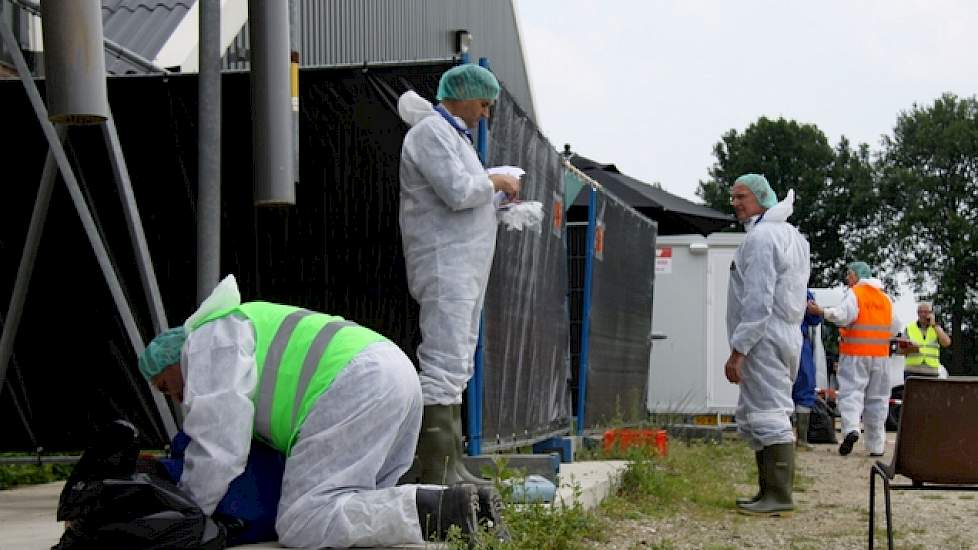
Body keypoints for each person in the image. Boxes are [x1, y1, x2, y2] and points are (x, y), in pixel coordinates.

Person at [138, 275, 503, 547]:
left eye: (167, 385)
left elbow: (219, 446)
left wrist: (186, 516)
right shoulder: (241, 320)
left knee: (304, 522)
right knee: (358, 506)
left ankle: (443, 511)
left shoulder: (206, 343)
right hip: (391, 370)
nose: (177, 396)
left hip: (351, 383)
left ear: (172, 358)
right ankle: (464, 509)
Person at [397, 64, 521, 485]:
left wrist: (497, 199)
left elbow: (468, 194)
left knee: (457, 360)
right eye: (484, 104)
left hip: (462, 267)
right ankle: (437, 466)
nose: (486, 113)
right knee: (442, 361)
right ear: (462, 95)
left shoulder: (452, 136)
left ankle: (451, 463)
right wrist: (496, 180)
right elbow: (458, 191)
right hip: (443, 264)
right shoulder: (430, 134)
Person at [724, 173, 811, 516]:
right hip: (787, 333)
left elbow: (758, 300)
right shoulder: (793, 236)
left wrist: (739, 349)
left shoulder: (761, 239)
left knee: (769, 411)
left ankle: (778, 494)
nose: (735, 203)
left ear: (761, 198)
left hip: (764, 336)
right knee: (765, 408)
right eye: (733, 196)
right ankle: (768, 490)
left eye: (741, 196)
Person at [807, 262, 901, 457]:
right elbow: (895, 326)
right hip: (881, 357)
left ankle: (851, 429)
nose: (847, 279)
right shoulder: (885, 298)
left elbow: (842, 316)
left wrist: (821, 312)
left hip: (855, 353)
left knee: (851, 394)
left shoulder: (855, 293)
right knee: (878, 400)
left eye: (849, 275)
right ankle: (876, 446)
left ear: (857, 276)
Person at [792, 289, 822, 450]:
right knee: (804, 386)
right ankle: (801, 440)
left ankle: (778, 439)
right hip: (798, 340)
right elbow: (814, 317)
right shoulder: (803, 290)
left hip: (773, 340)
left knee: (777, 387)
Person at [901, 301, 951, 379]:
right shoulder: (909, 328)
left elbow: (946, 343)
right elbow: (901, 350)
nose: (923, 314)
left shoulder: (937, 328)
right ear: (917, 313)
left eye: (926, 312)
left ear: (931, 314)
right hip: (912, 370)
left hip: (931, 371)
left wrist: (934, 325)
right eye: (920, 312)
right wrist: (911, 349)